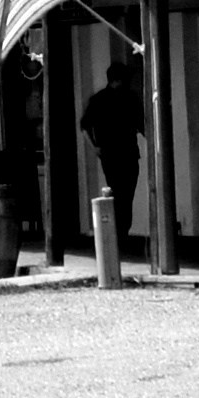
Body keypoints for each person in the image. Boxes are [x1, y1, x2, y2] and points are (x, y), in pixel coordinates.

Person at [82, 62, 145, 263]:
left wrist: (95, 148)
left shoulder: (98, 99)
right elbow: (142, 124)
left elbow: (84, 126)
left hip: (109, 153)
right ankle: (121, 232)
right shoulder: (130, 98)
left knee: (118, 192)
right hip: (126, 152)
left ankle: (119, 233)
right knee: (126, 194)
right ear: (119, 79)